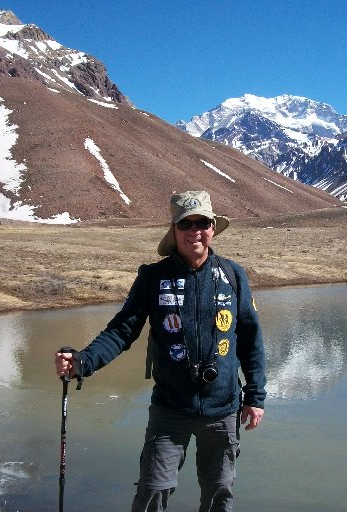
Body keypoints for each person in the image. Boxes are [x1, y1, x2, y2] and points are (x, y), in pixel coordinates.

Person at [55, 191, 267, 512]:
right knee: (152, 492)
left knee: (219, 494)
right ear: (175, 229)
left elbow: (251, 338)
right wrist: (83, 361)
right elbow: (121, 331)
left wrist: (255, 396)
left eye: (203, 223)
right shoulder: (154, 278)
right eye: (186, 223)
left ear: (212, 228)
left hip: (223, 410)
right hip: (170, 410)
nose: (195, 230)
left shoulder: (233, 276)